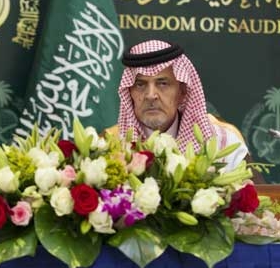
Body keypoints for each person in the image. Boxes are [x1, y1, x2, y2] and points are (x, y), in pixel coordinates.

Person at [107, 39, 260, 176]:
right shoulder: (109, 148)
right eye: (140, 84)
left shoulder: (223, 143)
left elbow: (261, 201)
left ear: (182, 92)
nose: (151, 95)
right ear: (129, 93)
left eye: (162, 83)